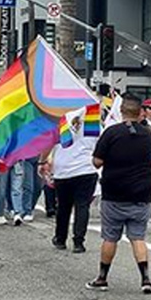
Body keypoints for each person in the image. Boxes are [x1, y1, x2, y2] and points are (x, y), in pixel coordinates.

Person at [86, 93, 151, 294]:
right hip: (141, 193)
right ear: (139, 112)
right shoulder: (147, 134)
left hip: (115, 191)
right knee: (138, 237)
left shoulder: (111, 132)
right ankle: (145, 279)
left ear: (121, 111)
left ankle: (102, 277)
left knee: (110, 237)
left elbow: (97, 161)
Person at [50, 108, 99, 253]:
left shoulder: (60, 119)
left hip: (63, 170)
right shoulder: (94, 123)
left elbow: (50, 142)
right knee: (82, 206)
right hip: (86, 169)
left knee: (63, 207)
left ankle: (60, 238)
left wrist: (42, 162)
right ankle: (79, 242)